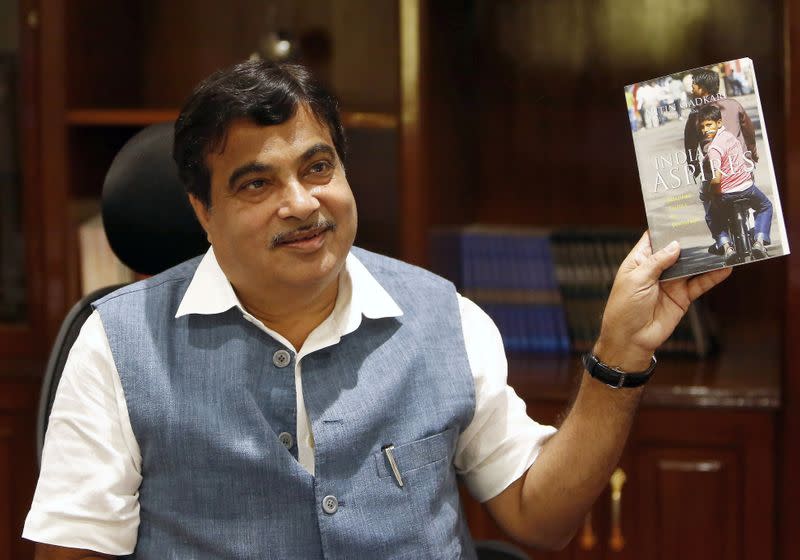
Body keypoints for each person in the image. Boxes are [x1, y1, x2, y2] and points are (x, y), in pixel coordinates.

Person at [24, 61, 731, 559]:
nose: (301, 203)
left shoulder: (445, 319)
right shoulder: (117, 344)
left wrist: (621, 354)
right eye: (255, 183)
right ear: (201, 212)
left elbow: (540, 518)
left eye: (317, 167)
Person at [683, 67, 758, 256]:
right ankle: (754, 230)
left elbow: (690, 144)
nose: (691, 87)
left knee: (706, 198)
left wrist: (693, 167)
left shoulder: (696, 113)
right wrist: (753, 153)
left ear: (702, 88)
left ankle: (722, 242)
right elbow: (749, 132)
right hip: (741, 164)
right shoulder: (733, 104)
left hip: (714, 168)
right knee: (750, 192)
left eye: (693, 84)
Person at [696, 104, 773, 262]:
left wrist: (713, 194)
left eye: (708, 124)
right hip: (747, 188)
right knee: (765, 206)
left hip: (728, 194)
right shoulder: (730, 137)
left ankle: (726, 247)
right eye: (702, 127)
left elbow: (716, 179)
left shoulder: (713, 149)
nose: (705, 130)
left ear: (719, 123)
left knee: (712, 216)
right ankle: (759, 242)